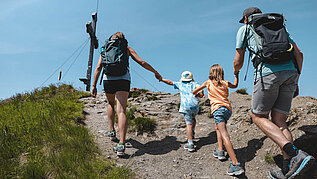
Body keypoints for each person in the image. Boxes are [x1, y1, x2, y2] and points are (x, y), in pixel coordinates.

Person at [233, 7, 315, 178]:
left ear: (246, 18)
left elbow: (238, 60)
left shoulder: (245, 28)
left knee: (258, 117)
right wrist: (296, 80)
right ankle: (288, 169)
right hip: (291, 73)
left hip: (267, 74)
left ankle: (294, 154)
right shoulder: (279, 27)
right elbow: (299, 54)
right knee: (279, 121)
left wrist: (236, 71)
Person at [91, 32, 162, 156]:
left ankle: (111, 131)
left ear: (111, 39)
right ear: (123, 39)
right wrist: (155, 72)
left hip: (108, 79)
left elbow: (98, 67)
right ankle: (122, 144)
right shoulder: (126, 48)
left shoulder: (105, 49)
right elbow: (142, 62)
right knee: (122, 111)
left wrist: (94, 85)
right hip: (123, 79)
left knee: (110, 103)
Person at [193, 64, 244, 176]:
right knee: (218, 128)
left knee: (224, 134)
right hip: (227, 109)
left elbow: (195, 91)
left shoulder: (208, 83)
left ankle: (235, 164)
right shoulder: (225, 83)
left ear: (211, 73)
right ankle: (220, 151)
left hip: (217, 110)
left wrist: (199, 94)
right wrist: (236, 75)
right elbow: (235, 85)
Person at [161, 71, 203, 152]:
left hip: (186, 107)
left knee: (188, 124)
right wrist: (198, 95)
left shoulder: (180, 84)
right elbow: (201, 94)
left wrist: (162, 79)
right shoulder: (196, 84)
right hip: (195, 106)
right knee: (193, 118)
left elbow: (170, 82)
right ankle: (192, 132)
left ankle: (190, 143)